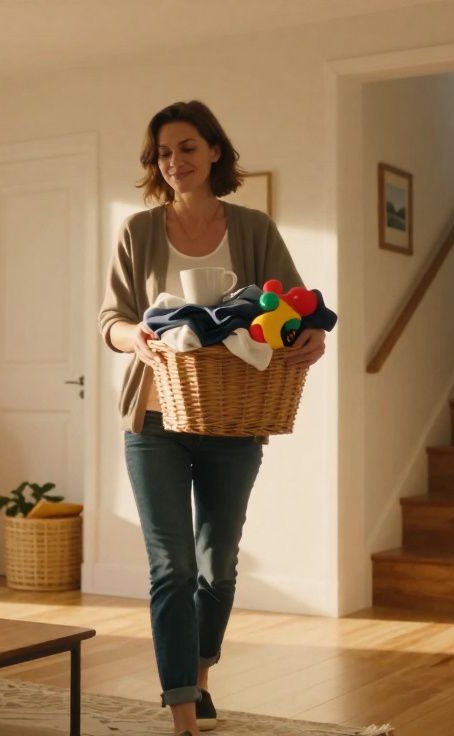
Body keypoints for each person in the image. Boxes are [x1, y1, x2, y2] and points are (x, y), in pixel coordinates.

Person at [96, 100, 326, 735]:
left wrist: (315, 337)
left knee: (216, 565)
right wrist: (134, 337)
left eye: (187, 148)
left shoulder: (252, 228)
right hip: (153, 421)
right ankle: (181, 712)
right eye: (163, 153)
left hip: (233, 421)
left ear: (214, 152)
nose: (175, 162)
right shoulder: (137, 232)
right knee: (169, 565)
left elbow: (298, 308)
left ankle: (199, 679)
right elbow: (111, 319)